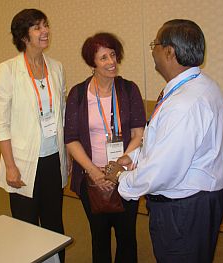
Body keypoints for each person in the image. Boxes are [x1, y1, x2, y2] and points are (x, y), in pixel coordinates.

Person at [105, 19, 223, 263]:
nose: (152, 51)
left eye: (155, 44)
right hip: (201, 200)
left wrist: (121, 177)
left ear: (169, 52)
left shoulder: (184, 103)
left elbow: (163, 171)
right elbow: (164, 141)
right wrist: (133, 157)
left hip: (184, 209)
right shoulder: (201, 86)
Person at [0, 9, 67, 263]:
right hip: (23, 164)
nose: (44, 31)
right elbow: (1, 125)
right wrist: (10, 166)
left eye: (45, 25)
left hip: (53, 160)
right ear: (24, 36)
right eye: (37, 27)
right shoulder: (8, 70)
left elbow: (62, 116)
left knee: (54, 224)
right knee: (26, 227)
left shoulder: (56, 68)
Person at [64, 32, 146, 263]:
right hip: (91, 178)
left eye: (112, 55)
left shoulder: (129, 90)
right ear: (92, 63)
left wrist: (121, 164)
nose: (111, 62)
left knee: (127, 236)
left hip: (125, 175)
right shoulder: (78, 94)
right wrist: (94, 171)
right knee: (99, 237)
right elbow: (71, 138)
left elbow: (139, 133)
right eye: (103, 58)